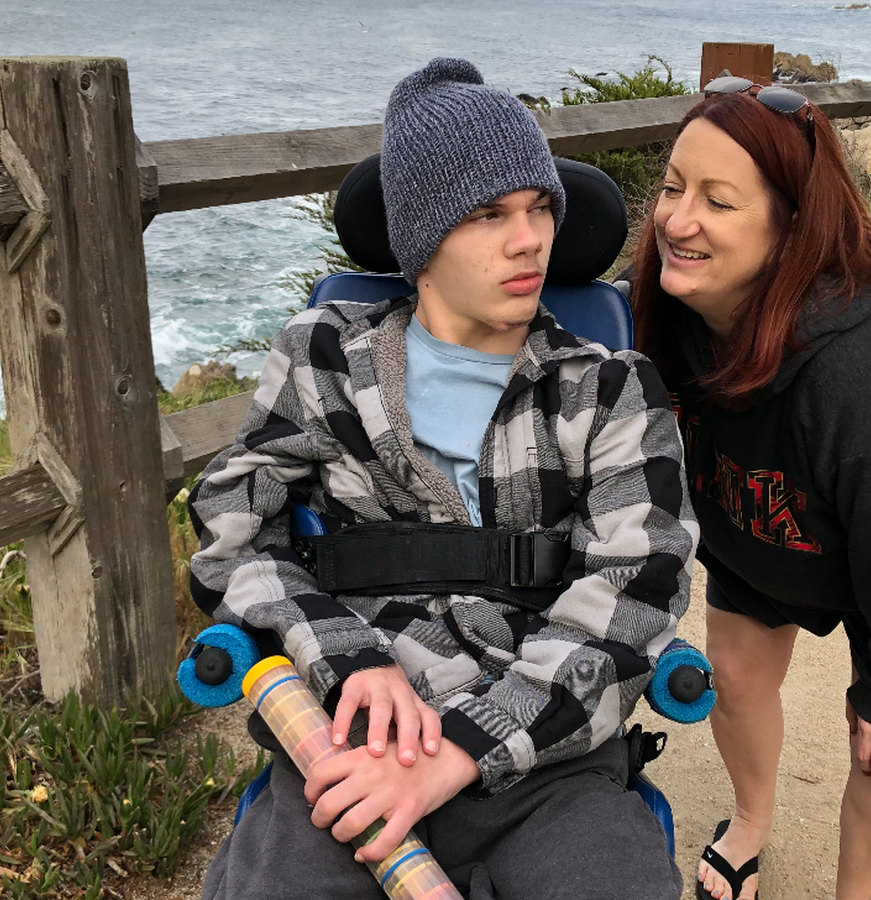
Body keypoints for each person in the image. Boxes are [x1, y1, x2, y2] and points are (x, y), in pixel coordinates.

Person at [188, 57, 698, 900]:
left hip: (546, 761)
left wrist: (467, 744)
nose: (529, 239)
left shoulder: (607, 388)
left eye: (539, 208)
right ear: (421, 239)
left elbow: (639, 584)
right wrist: (344, 657)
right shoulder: (325, 358)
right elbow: (230, 527)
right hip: (350, 746)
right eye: (489, 213)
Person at [628, 77, 871, 900]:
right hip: (770, 524)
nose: (677, 220)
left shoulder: (862, 379)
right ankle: (751, 823)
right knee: (736, 679)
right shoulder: (680, 313)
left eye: (718, 202)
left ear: (791, 229)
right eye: (672, 187)